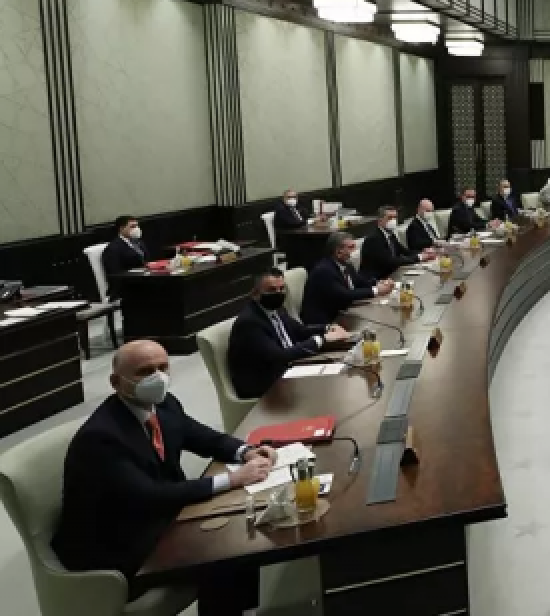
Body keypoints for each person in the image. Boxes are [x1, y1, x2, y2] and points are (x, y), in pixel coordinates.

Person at [52, 339, 275, 614]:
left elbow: (203, 437)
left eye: (162, 368)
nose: (157, 377)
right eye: (145, 372)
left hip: (156, 515)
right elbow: (150, 495)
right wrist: (233, 479)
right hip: (116, 542)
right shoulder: (101, 437)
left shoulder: (164, 404)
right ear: (116, 382)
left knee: (238, 530)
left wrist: (246, 452)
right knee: (221, 554)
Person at [229, 270, 349, 399]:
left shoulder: (277, 309)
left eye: (281, 289)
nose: (278, 293)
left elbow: (299, 331)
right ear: (255, 294)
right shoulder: (249, 322)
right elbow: (279, 356)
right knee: (321, 389)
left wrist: (327, 328)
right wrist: (321, 339)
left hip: (288, 369)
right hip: (266, 384)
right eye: (272, 290)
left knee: (336, 375)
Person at [300, 232, 393, 325]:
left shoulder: (346, 265)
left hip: (342, 312)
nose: (355, 251)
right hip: (324, 322)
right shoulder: (324, 270)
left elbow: (360, 282)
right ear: (338, 252)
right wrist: (377, 290)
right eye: (351, 247)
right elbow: (345, 295)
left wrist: (379, 283)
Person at [359, 206, 431, 280]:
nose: (393, 221)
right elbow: (391, 262)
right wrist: (419, 257)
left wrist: (424, 253)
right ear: (380, 221)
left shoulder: (391, 235)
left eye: (395, 218)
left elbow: (405, 251)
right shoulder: (373, 239)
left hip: (391, 274)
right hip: (375, 280)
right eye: (390, 218)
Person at [101, 215, 148, 297]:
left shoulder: (139, 243)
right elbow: (116, 275)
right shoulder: (113, 248)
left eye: (137, 226)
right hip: (127, 288)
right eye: (132, 227)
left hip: (144, 281)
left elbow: (148, 262)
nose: (136, 229)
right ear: (121, 228)